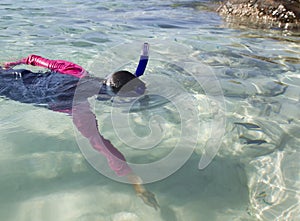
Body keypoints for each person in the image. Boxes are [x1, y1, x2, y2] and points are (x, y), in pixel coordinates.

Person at [0, 43, 159, 210]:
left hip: (13, 74)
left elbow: (33, 59)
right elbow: (101, 145)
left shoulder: (75, 71)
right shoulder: (79, 108)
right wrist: (135, 181)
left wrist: (10, 64)